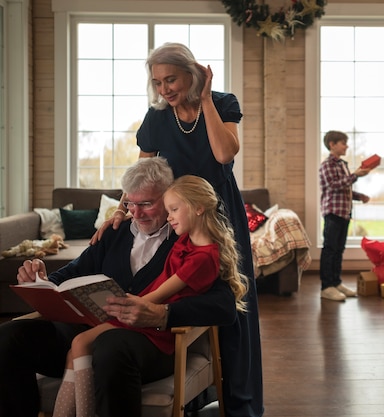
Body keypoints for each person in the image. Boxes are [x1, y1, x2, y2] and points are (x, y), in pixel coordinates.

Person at [96, 42, 263, 416]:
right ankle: (190, 396)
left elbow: (224, 154)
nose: (164, 89)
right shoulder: (156, 117)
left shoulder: (222, 103)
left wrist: (205, 99)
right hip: (178, 218)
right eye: (157, 82)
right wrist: (120, 211)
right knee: (185, 300)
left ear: (193, 73)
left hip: (219, 215)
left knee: (233, 305)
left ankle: (238, 402)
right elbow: (141, 175)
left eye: (170, 79)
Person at [0, 157, 239, 417]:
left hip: (146, 342)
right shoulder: (113, 232)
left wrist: (163, 314)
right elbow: (71, 274)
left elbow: (225, 306)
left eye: (146, 204)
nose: (135, 213)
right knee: (9, 337)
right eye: (129, 204)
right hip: (90, 330)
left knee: (109, 347)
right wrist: (40, 281)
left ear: (169, 198)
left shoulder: (187, 239)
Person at [319, 130, 371, 301]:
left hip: (344, 213)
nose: (346, 146)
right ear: (332, 145)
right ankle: (327, 286)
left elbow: (344, 187)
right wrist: (355, 175)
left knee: (339, 250)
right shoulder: (327, 164)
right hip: (333, 213)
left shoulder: (342, 164)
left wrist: (358, 196)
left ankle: (336, 282)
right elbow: (333, 186)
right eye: (343, 143)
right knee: (330, 249)